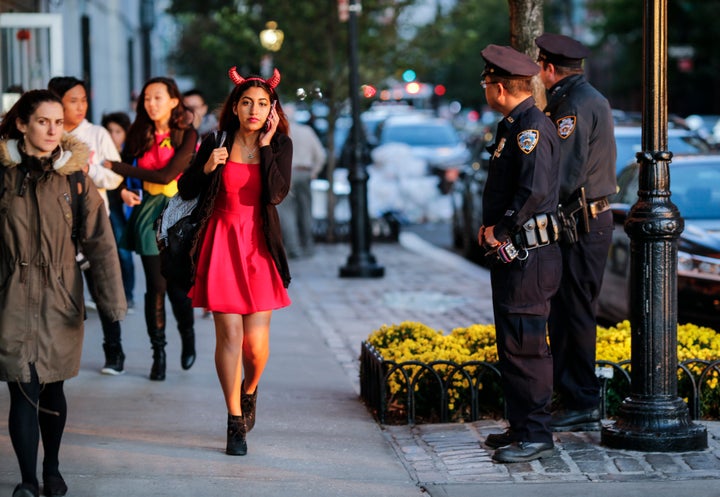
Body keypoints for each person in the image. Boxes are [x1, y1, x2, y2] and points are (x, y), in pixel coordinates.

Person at [0, 90, 126, 497]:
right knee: (22, 384)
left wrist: (111, 304)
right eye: (43, 121)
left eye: (58, 122)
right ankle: (28, 480)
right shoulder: (2, 176)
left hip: (60, 294)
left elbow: (100, 244)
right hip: (11, 293)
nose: (54, 129)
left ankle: (51, 467)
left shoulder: (76, 179)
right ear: (22, 124)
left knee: (52, 386)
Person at [178, 67, 291, 456]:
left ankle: (250, 389)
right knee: (229, 336)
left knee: (256, 347)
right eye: (247, 103)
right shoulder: (215, 141)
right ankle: (233, 422)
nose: (254, 109)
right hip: (222, 243)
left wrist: (266, 145)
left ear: (272, 110)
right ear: (236, 108)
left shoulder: (279, 146)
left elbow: (277, 194)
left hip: (259, 247)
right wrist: (207, 167)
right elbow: (186, 189)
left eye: (262, 103)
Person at [476, 45, 562, 463]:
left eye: (488, 84)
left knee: (528, 346)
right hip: (514, 256)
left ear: (502, 86)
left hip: (530, 254)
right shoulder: (512, 126)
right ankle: (521, 425)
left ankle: (538, 434)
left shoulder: (531, 129)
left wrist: (500, 228)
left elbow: (533, 191)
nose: (485, 91)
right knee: (512, 345)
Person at [535, 33, 617, 432]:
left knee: (576, 313)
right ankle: (572, 395)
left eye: (540, 67)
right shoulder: (582, 98)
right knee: (568, 312)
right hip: (583, 220)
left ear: (549, 68)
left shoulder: (573, 105)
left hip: (583, 222)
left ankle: (581, 399)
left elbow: (563, 173)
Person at [104, 77, 198, 381]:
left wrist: (118, 168)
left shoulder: (187, 133)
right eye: (147, 97)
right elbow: (120, 175)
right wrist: (121, 188)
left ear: (174, 101)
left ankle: (188, 334)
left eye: (158, 97)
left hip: (178, 214)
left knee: (177, 287)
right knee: (155, 288)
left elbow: (167, 174)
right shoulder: (138, 133)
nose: (151, 103)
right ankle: (159, 354)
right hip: (147, 214)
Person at [48, 76, 128, 376]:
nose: (81, 106)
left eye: (84, 99)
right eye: (73, 100)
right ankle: (61, 353)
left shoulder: (97, 134)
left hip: (94, 224)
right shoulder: (48, 133)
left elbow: (115, 177)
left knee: (102, 285)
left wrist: (87, 168)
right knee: (63, 291)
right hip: (57, 226)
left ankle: (114, 351)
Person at [277, 104, 326, 258]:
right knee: (306, 210)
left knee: (286, 212)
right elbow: (321, 155)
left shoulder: (279, 133)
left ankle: (293, 248)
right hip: (305, 172)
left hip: (286, 174)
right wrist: (314, 172)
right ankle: (308, 245)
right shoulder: (307, 132)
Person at [101, 111, 137, 313]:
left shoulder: (129, 155)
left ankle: (128, 295)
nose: (113, 135)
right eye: (109, 131)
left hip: (120, 208)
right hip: (102, 207)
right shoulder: (98, 154)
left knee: (123, 253)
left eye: (118, 131)